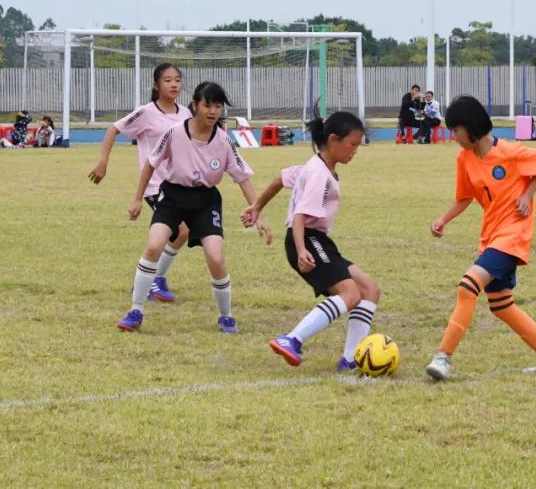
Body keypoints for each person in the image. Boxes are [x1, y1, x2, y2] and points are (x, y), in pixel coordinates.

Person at [425, 95, 536, 380]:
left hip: (513, 234)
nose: (453, 136)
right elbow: (464, 198)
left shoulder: (509, 151)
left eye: (455, 130)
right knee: (501, 304)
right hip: (491, 236)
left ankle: (443, 358)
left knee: (467, 287)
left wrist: (527, 195)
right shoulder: (464, 158)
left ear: (471, 126)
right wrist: (443, 219)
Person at [116, 82, 271, 333]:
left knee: (216, 257)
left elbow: (242, 176)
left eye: (218, 106)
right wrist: (137, 199)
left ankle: (226, 316)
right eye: (207, 105)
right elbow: (151, 163)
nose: (213, 111)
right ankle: (136, 310)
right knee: (154, 244)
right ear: (195, 106)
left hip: (205, 201)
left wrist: (258, 212)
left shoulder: (223, 140)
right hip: (173, 197)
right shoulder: (175, 132)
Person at [240, 112, 379, 371]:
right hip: (307, 239)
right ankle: (292, 339)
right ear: (334, 140)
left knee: (370, 289)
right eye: (353, 144)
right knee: (350, 294)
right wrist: (302, 249)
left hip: (317, 241)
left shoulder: (315, 165)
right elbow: (300, 216)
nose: (355, 151)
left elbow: (281, 178)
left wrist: (257, 205)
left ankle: (350, 360)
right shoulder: (320, 176)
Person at [90, 64, 192, 303]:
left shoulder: (186, 113)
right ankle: (156, 279)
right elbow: (113, 129)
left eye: (177, 79)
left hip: (180, 184)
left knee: (179, 232)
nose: (174, 84)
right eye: (167, 80)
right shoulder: (146, 112)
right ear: (157, 85)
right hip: (155, 184)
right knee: (182, 229)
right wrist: (103, 162)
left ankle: (150, 278)